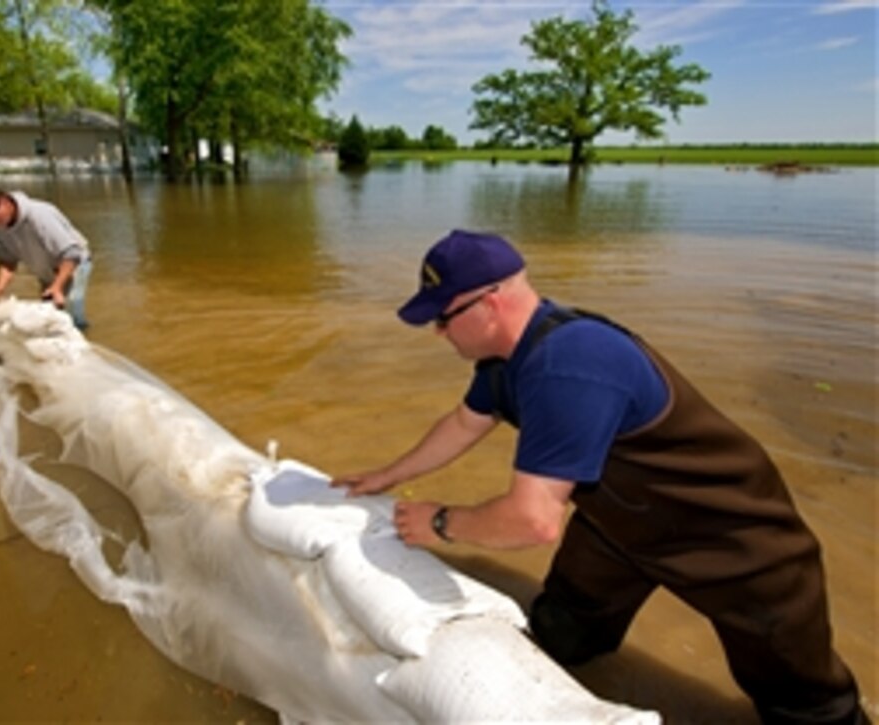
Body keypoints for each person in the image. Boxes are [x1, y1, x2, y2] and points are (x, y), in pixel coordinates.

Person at [333, 229, 867, 725]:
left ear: (490, 301)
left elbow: (533, 522)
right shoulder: (502, 363)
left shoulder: (568, 363)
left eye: (443, 318)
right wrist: (384, 476)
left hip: (734, 542)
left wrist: (443, 524)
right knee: (560, 634)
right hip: (620, 523)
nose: (437, 333)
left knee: (805, 702)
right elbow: (460, 425)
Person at [0, 184, 93, 329]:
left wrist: (57, 286)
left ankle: (84, 339)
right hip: (45, 270)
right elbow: (6, 258)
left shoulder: (40, 214)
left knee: (73, 311)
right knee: (49, 317)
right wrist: (0, 286)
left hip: (72, 264)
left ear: (4, 202)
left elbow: (71, 253)